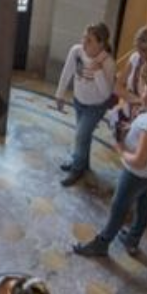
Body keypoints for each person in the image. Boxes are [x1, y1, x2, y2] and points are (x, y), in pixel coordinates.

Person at [75, 75, 147, 258]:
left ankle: (102, 244)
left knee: (118, 207)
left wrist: (121, 150)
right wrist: (133, 127)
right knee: (143, 204)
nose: (144, 99)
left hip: (137, 173)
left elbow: (140, 160)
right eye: (144, 93)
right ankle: (132, 240)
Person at [54, 22, 117, 187]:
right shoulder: (76, 51)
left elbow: (106, 94)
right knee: (84, 136)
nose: (84, 42)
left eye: (89, 40)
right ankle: (83, 164)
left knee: (80, 135)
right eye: (84, 37)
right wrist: (59, 95)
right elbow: (67, 72)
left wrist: (98, 72)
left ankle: (76, 168)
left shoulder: (108, 63)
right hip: (79, 101)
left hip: (96, 107)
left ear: (101, 43)